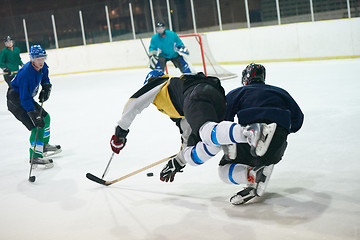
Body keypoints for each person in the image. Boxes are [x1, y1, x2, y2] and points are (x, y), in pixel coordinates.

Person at [109, 70, 269, 184]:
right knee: (198, 150)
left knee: (206, 132)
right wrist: (178, 162)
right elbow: (187, 136)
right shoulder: (178, 106)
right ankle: (241, 160)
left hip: (196, 93)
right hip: (215, 97)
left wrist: (120, 132)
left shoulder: (159, 82)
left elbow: (135, 103)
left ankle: (247, 132)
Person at [217, 63, 304, 205]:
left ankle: (251, 173)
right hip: (279, 142)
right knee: (262, 158)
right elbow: (298, 121)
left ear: (245, 78)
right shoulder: (281, 92)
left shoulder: (239, 92)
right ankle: (259, 170)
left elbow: (224, 120)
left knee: (223, 171)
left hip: (252, 138)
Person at [6, 45, 61, 168]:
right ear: (32, 59)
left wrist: (46, 87)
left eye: (43, 58)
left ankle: (43, 146)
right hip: (16, 101)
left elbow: (45, 78)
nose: (41, 62)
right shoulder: (27, 74)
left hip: (25, 98)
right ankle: (35, 156)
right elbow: (24, 99)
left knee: (45, 119)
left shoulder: (43, 67)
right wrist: (33, 114)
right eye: (37, 59)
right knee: (36, 126)